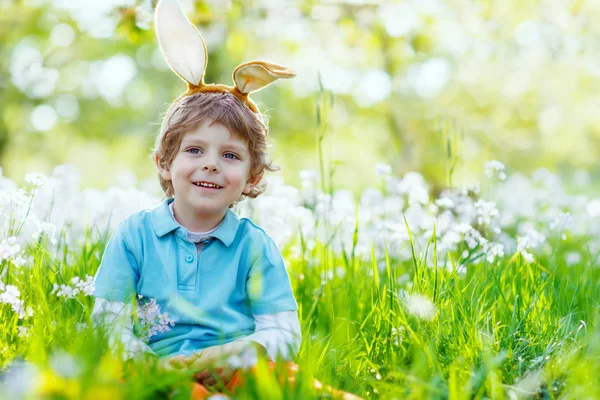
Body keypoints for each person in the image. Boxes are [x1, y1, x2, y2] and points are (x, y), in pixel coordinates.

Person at [92, 0, 361, 398]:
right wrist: (150, 364)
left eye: (230, 155)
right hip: (155, 369)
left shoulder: (254, 246)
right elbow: (109, 324)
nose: (212, 165)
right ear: (165, 163)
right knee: (113, 382)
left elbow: (282, 332)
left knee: (287, 381)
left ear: (252, 176)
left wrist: (237, 352)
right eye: (195, 150)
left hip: (236, 367)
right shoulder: (134, 236)